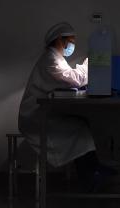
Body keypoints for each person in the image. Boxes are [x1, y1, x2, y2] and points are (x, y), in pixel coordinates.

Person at [18, 22, 114, 191]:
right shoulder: (50, 59)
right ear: (59, 40)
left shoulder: (55, 58)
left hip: (43, 113)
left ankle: (92, 171)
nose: (72, 45)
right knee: (79, 126)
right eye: (71, 41)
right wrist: (89, 64)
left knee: (81, 124)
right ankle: (90, 174)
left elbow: (68, 82)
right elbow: (73, 79)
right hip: (34, 117)